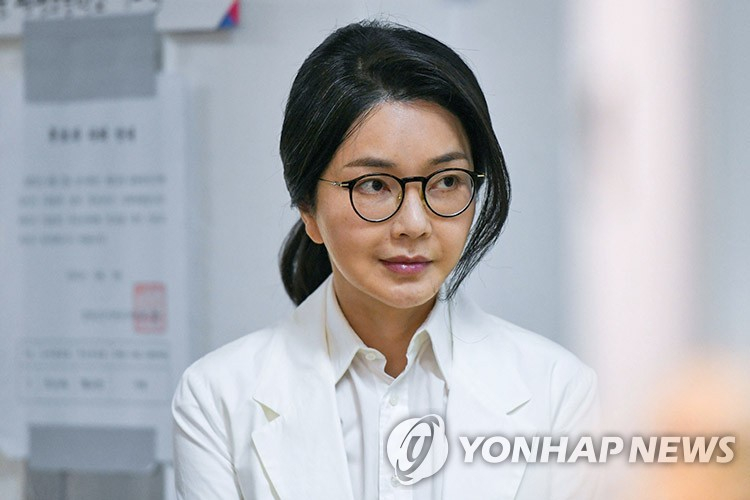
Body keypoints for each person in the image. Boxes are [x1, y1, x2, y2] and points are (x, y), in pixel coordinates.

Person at [172, 20, 598, 499]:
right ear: (308, 209)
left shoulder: (559, 391)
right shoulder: (216, 399)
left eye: (447, 181)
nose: (414, 224)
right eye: (373, 185)